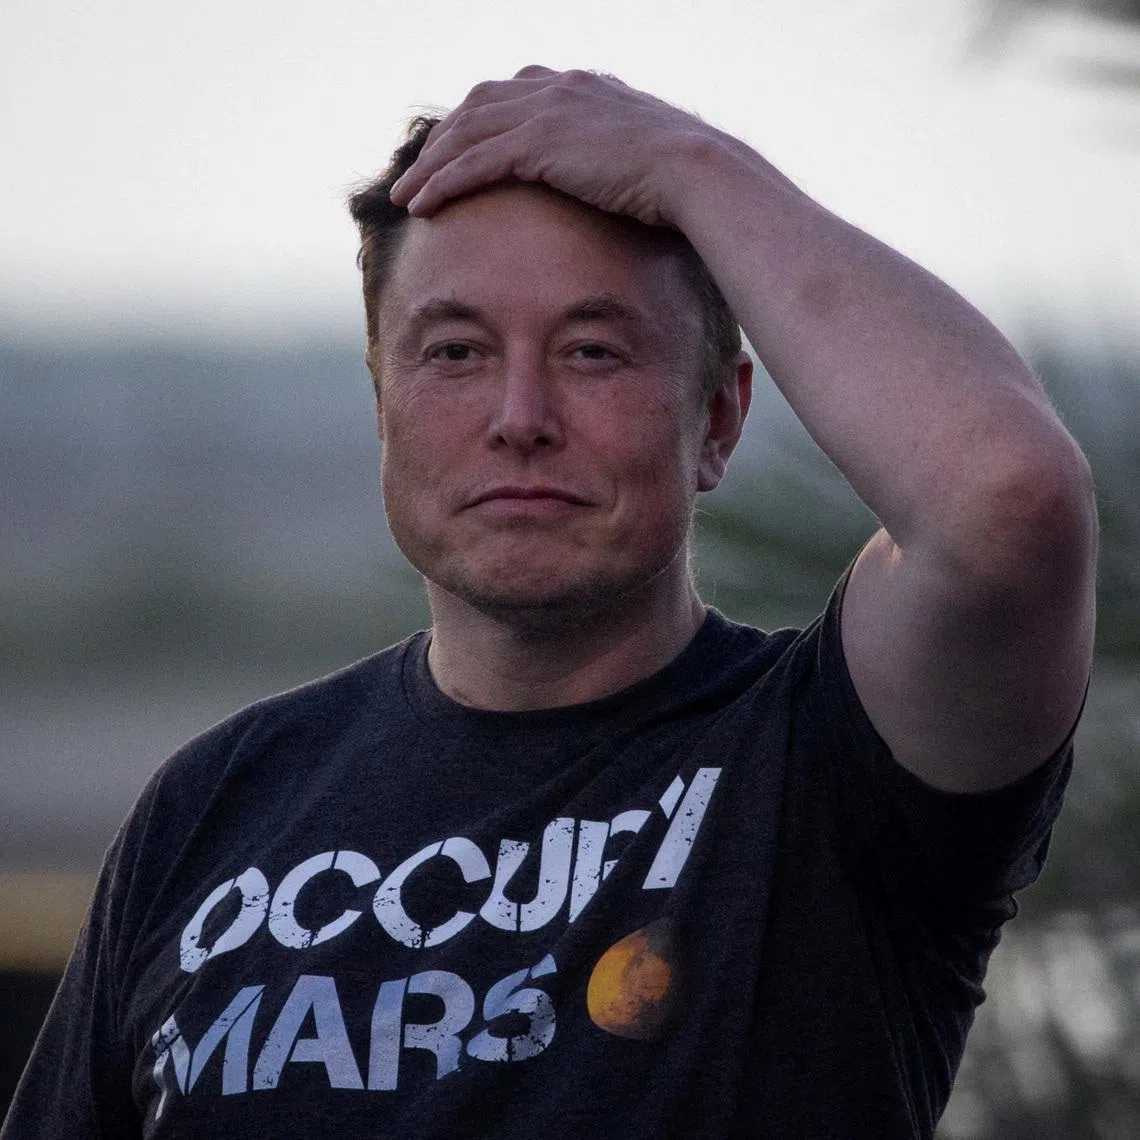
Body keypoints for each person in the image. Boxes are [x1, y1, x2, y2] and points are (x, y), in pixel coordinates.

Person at [3, 66, 1097, 1139]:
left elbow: (1007, 501)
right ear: (384, 406)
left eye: (592, 351)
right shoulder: (214, 802)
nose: (520, 415)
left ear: (718, 420)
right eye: (457, 352)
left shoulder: (826, 763)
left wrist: (684, 160)